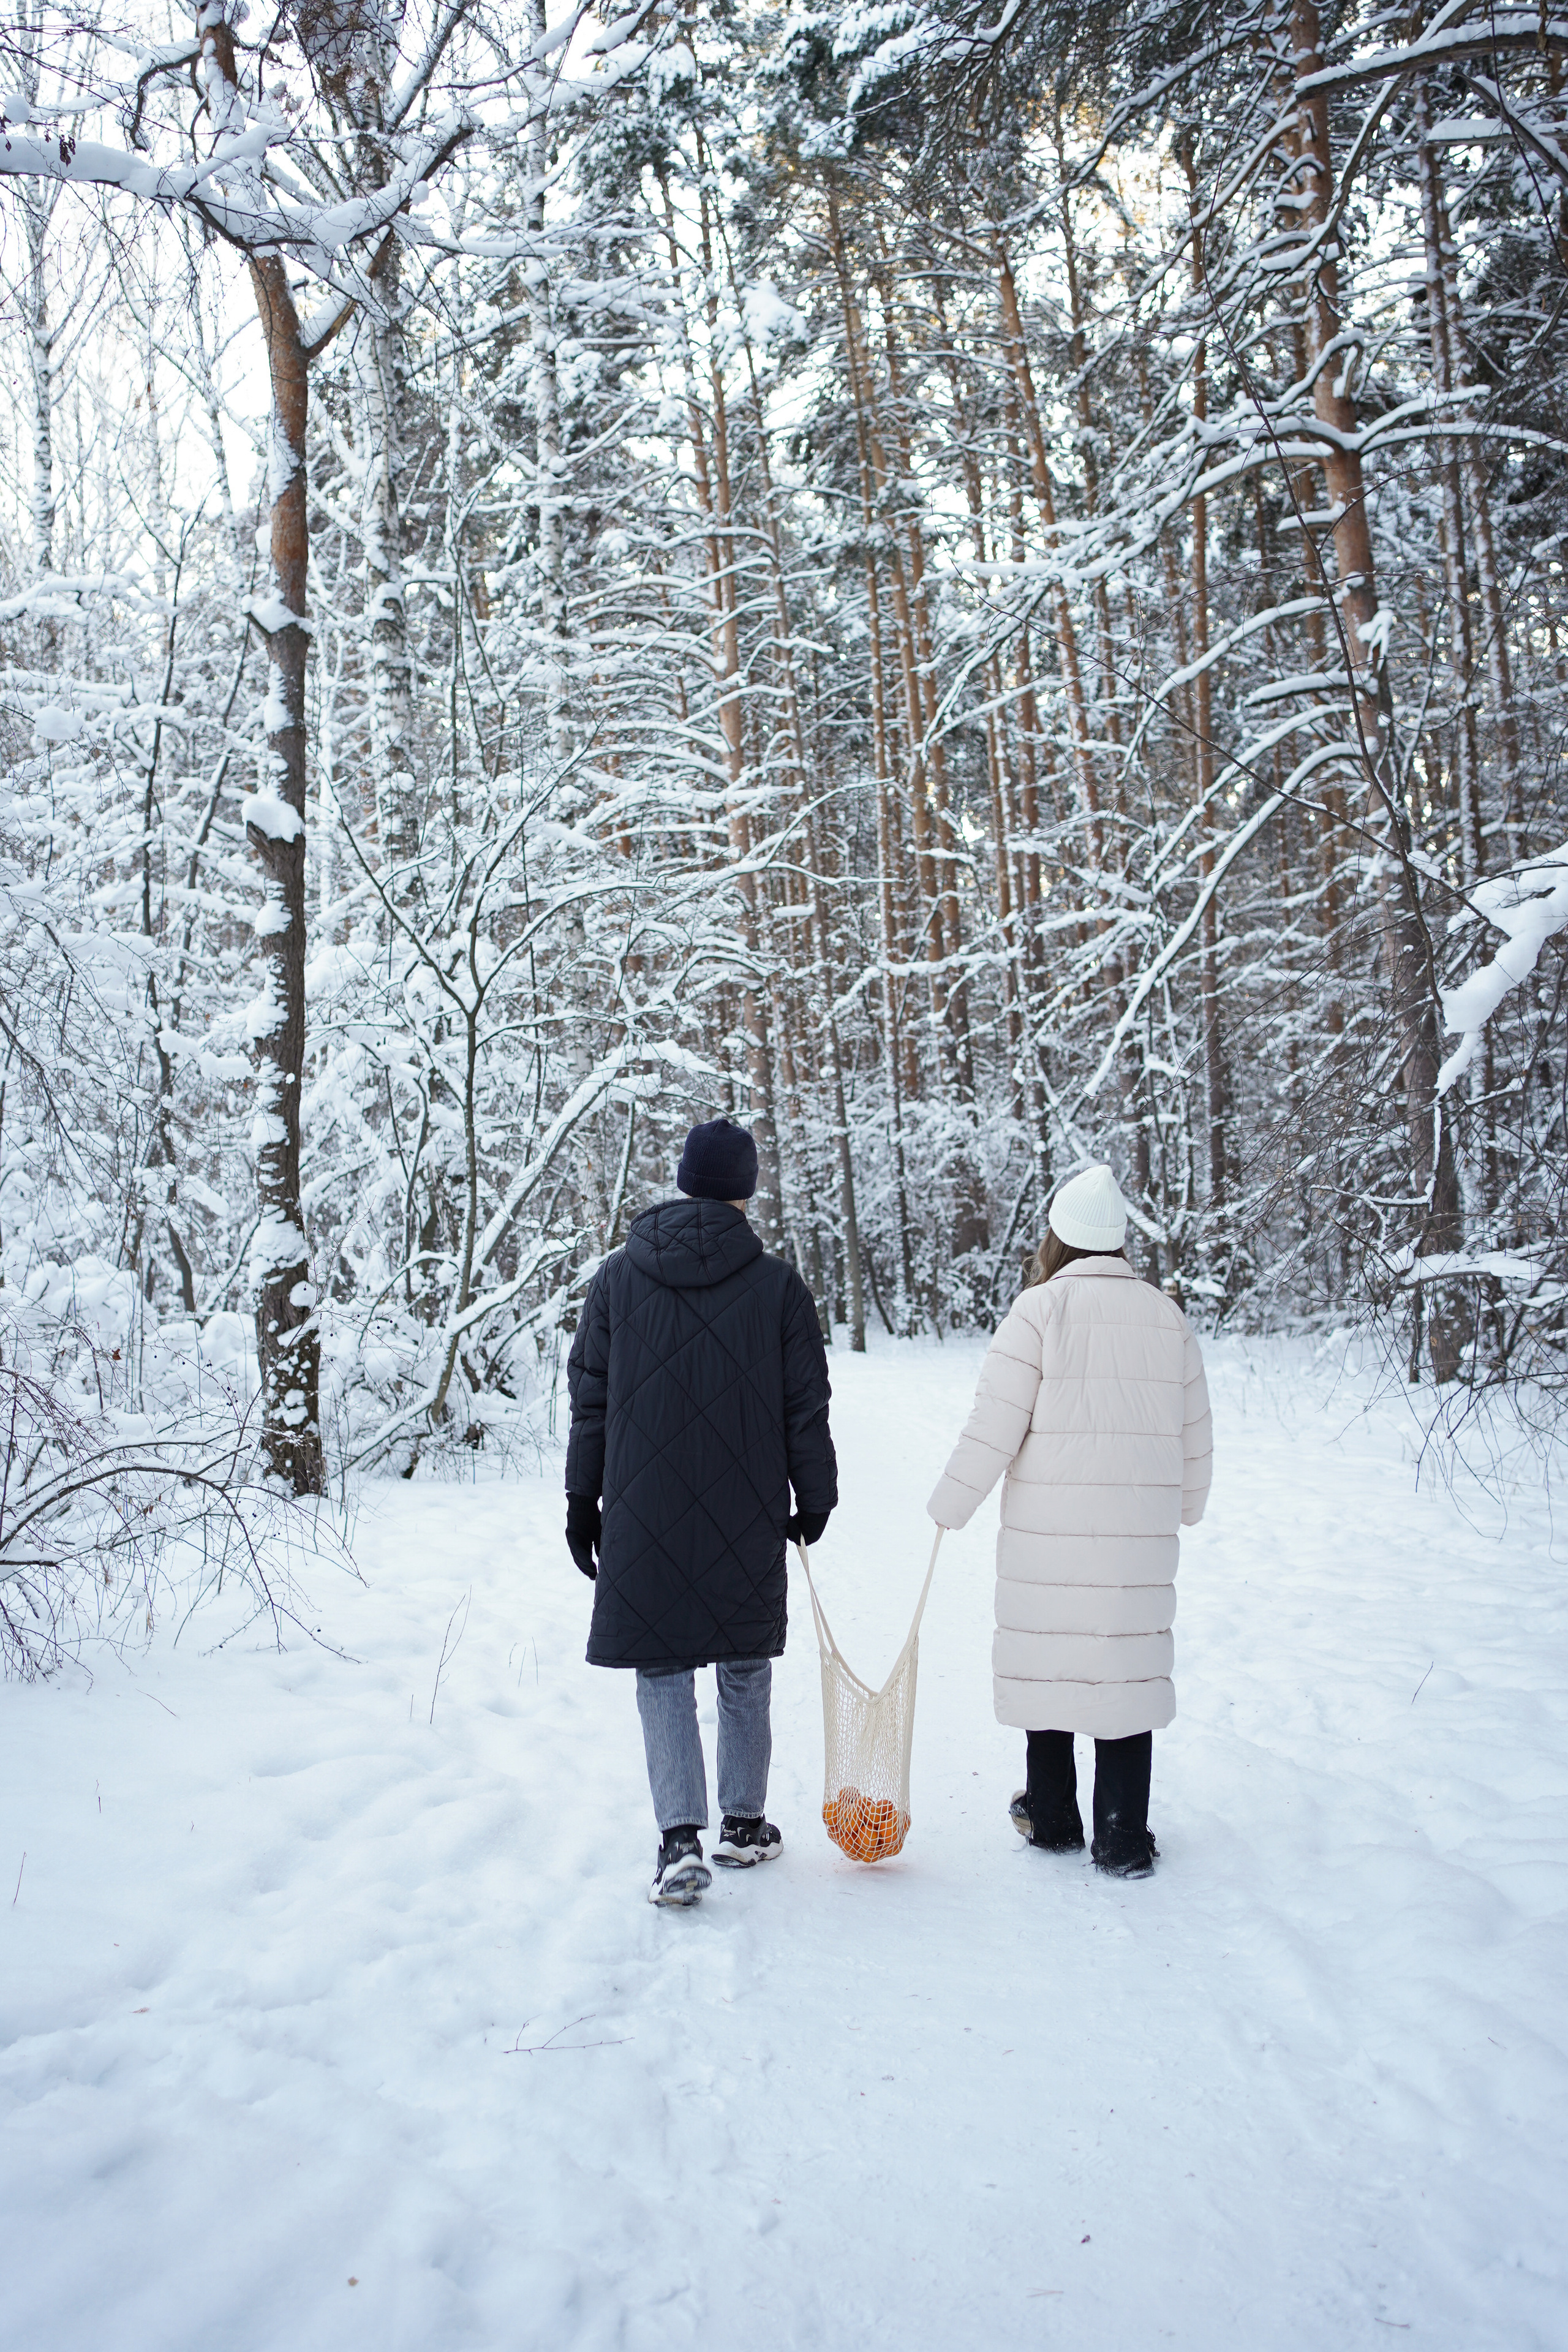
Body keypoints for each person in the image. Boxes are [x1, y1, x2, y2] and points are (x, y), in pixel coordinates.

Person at [564, 1117, 838, 1907]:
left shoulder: (617, 1279)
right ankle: (743, 1826)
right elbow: (804, 1408)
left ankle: (678, 1840)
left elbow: (590, 1402)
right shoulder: (778, 1286)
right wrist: (815, 1496)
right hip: (746, 1505)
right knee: (743, 1661)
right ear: (746, 1191)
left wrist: (584, 1499)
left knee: (661, 1666)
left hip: (642, 1509)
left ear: (683, 1181)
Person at [926, 1163, 1212, 1879]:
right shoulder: (1164, 1315)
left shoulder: (1037, 1312)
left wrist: (948, 1506)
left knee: (1049, 1656)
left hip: (1047, 1534)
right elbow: (1194, 1430)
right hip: (1136, 1535)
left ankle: (1052, 1818)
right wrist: (1188, 1505)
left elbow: (993, 1423)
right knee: (1126, 1668)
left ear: (1057, 1237)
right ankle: (1122, 1836)